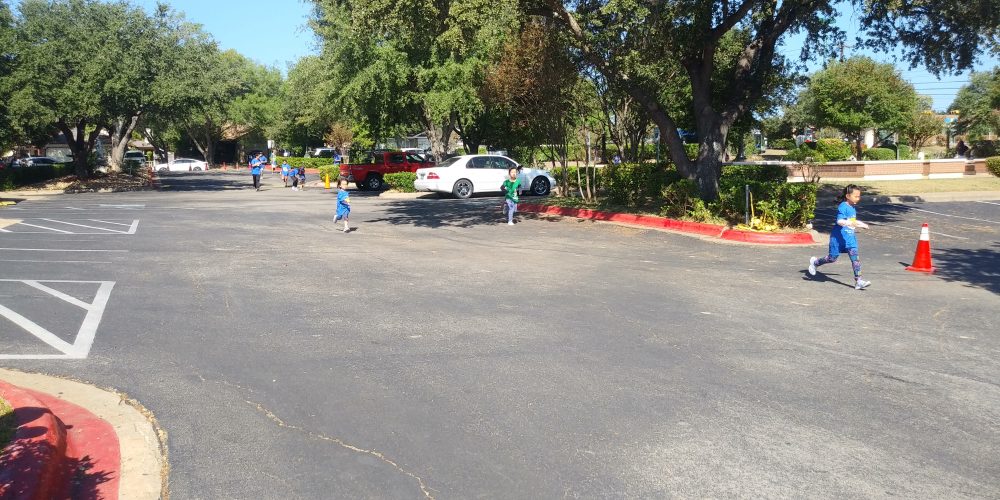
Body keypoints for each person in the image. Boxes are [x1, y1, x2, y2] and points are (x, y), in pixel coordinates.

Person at [807, 184, 871, 290]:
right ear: (848, 196)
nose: (858, 198)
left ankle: (858, 281)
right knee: (832, 258)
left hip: (850, 239)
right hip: (838, 238)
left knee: (855, 259)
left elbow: (853, 221)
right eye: (856, 196)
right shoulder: (843, 206)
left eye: (859, 196)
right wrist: (849, 223)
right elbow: (839, 221)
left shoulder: (852, 207)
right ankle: (815, 263)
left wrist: (862, 224)